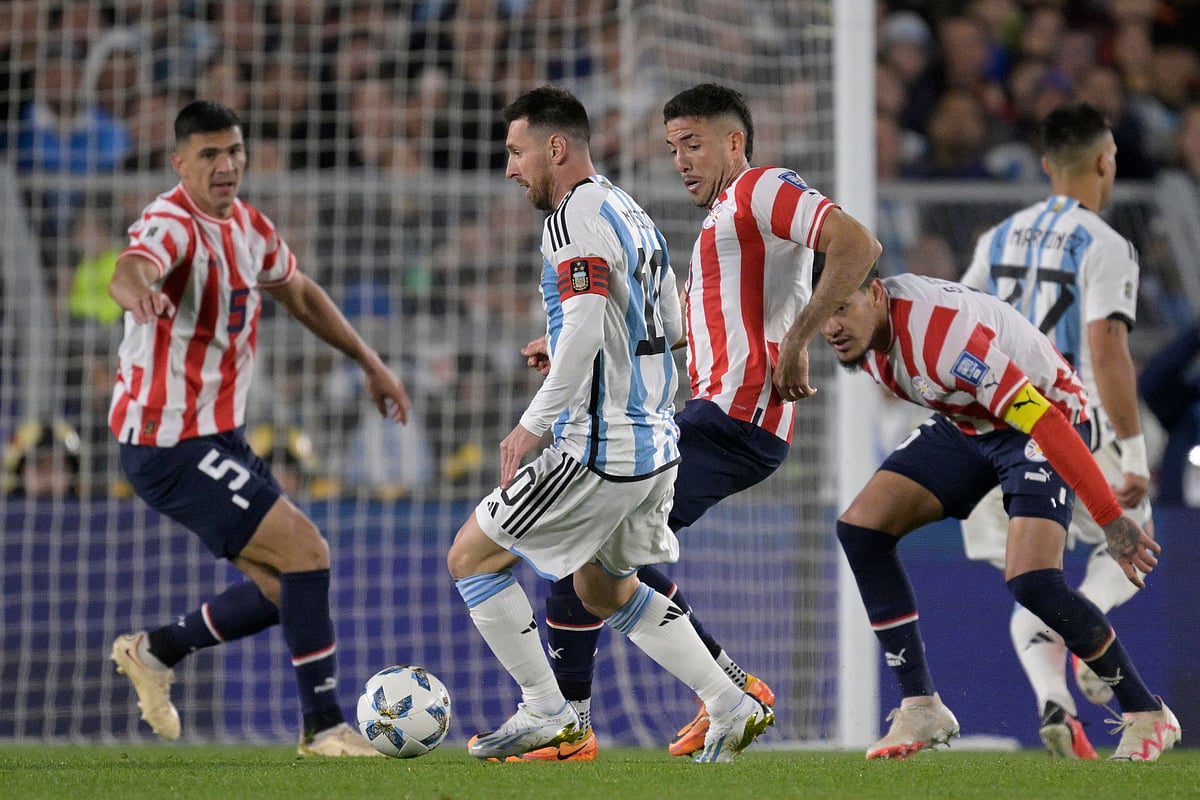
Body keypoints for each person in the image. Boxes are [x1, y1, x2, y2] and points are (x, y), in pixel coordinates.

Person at [515, 82, 882, 761]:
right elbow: (695, 329)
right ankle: (724, 690)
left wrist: (798, 339)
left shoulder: (762, 189)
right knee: (598, 555)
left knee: (581, 540)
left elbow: (857, 244)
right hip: (716, 415)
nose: (681, 160)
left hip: (737, 418)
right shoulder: (722, 222)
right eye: (672, 148)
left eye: (694, 144)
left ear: (735, 142)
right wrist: (564, 341)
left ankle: (577, 725)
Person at [444, 86, 773, 764]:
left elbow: (591, 321)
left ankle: (547, 711)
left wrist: (532, 423)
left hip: (598, 448)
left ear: (555, 147)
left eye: (516, 152)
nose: (510, 169)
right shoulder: (630, 210)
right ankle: (729, 699)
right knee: (603, 588)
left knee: (471, 557)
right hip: (656, 447)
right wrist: (563, 339)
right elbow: (670, 324)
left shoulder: (571, 216)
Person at [105, 100, 411, 757]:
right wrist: (140, 294)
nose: (226, 165)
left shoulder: (248, 226)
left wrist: (370, 361)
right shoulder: (171, 223)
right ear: (179, 162)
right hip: (166, 440)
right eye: (209, 154)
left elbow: (298, 292)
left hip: (217, 435)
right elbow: (131, 268)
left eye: (234, 151)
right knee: (308, 552)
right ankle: (323, 728)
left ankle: (155, 651)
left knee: (285, 587)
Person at [821, 268, 1180, 762]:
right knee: (862, 529)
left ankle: (1147, 714)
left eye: (841, 308)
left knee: (1032, 582)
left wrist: (1111, 517)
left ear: (877, 294)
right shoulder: (864, 336)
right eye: (822, 315)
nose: (831, 327)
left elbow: (1043, 418)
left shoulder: (941, 339)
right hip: (970, 422)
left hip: (1043, 419)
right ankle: (921, 707)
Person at [958, 100, 1153, 759]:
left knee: (1035, 579)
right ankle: (1087, 639)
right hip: (1074, 426)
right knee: (1131, 545)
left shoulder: (998, 237)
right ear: (1105, 161)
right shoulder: (1106, 244)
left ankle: (1054, 702)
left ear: (1046, 165)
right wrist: (1132, 452)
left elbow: (962, 321)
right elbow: (1106, 348)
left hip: (1000, 429)